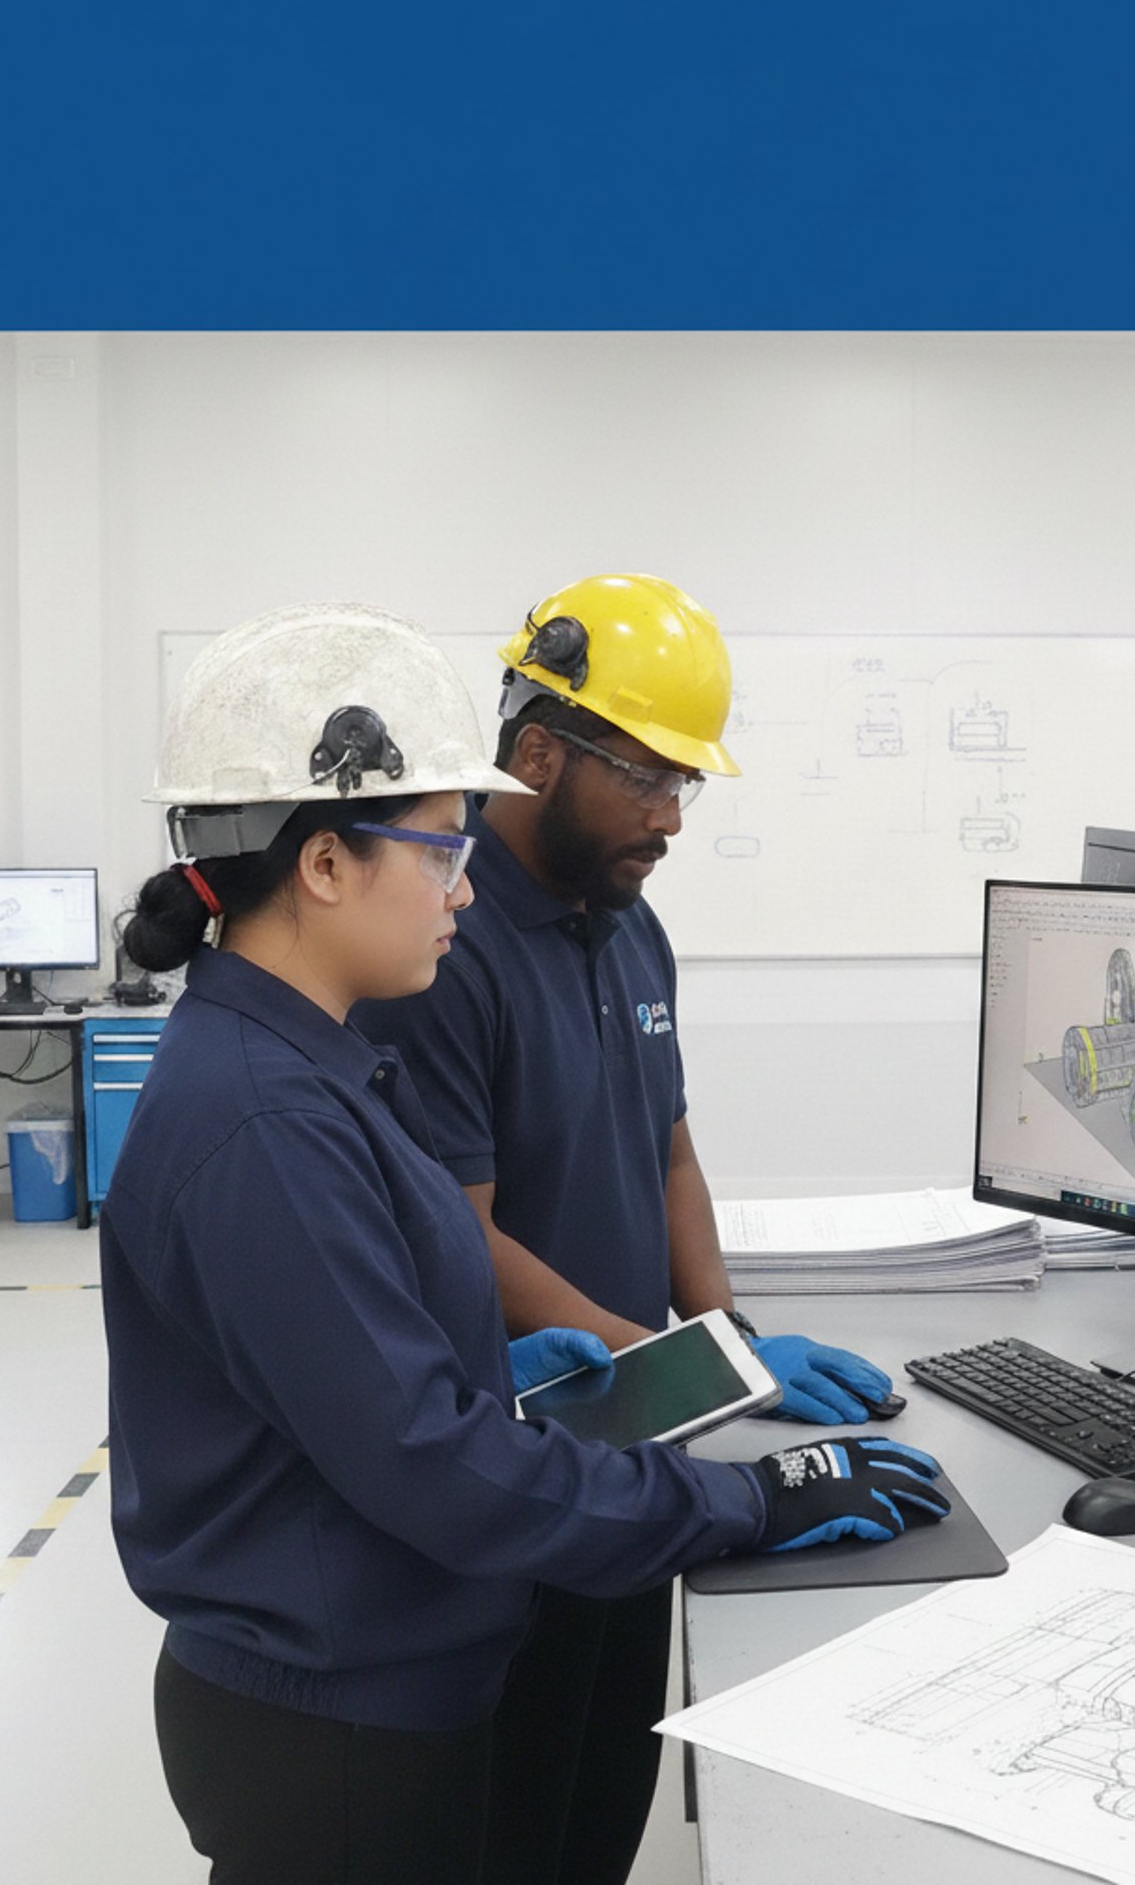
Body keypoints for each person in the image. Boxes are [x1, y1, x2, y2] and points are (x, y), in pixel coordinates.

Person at [101, 602, 948, 1885]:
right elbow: (431, 1466)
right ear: (324, 863)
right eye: (440, 852)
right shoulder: (264, 1121)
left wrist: (501, 1374)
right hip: (333, 1731)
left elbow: (354, 1380)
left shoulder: (303, 1066)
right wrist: (749, 1498)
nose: (462, 886)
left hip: (374, 1680)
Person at [351, 573, 902, 1885]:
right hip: (520, 1462)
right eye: (647, 778)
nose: (669, 818)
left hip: (634, 1443)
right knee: (515, 1816)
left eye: (684, 787)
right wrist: (693, 1369)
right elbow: (456, 1239)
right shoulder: (447, 944)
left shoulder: (630, 926)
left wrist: (721, 1335)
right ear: (537, 754)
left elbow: (669, 1150)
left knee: (606, 1794)